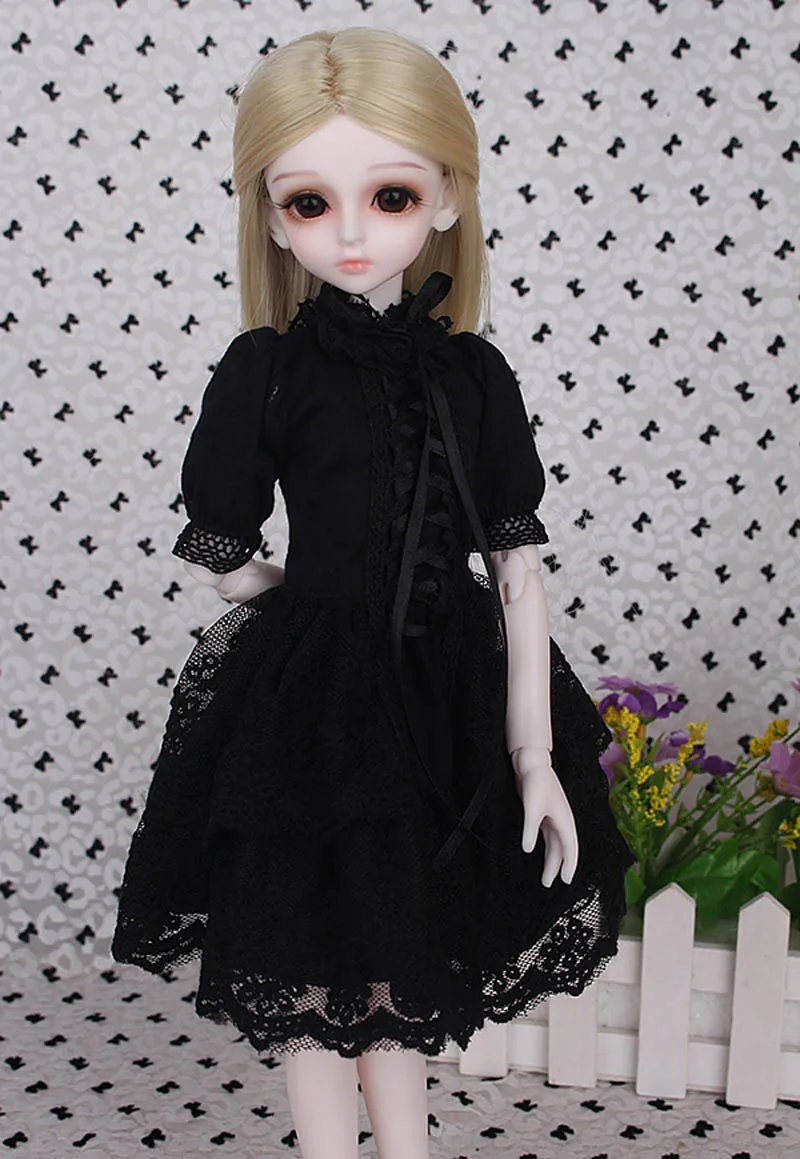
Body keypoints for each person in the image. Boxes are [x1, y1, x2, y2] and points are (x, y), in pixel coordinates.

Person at [111, 27, 633, 1159]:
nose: (349, 233)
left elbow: (518, 565)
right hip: (317, 704)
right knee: (312, 967)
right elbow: (222, 541)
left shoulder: (472, 372)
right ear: (270, 217)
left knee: (400, 955)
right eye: (308, 202)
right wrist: (298, 609)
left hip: (442, 693)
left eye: (389, 194)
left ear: (445, 198)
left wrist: (532, 754)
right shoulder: (269, 368)